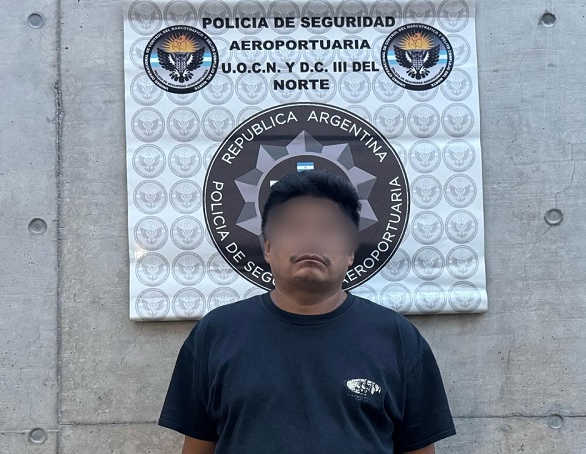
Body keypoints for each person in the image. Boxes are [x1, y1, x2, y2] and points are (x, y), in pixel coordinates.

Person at [158, 170, 456, 453]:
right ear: (268, 247)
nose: (311, 239)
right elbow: (198, 447)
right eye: (294, 227)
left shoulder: (397, 338)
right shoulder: (216, 333)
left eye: (328, 228)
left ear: (350, 252)